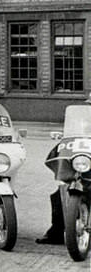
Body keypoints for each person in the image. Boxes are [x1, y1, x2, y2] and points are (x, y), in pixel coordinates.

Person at [34, 92, 91, 245]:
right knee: (61, 188)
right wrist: (63, 137)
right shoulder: (83, 119)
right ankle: (57, 230)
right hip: (83, 163)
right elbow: (73, 133)